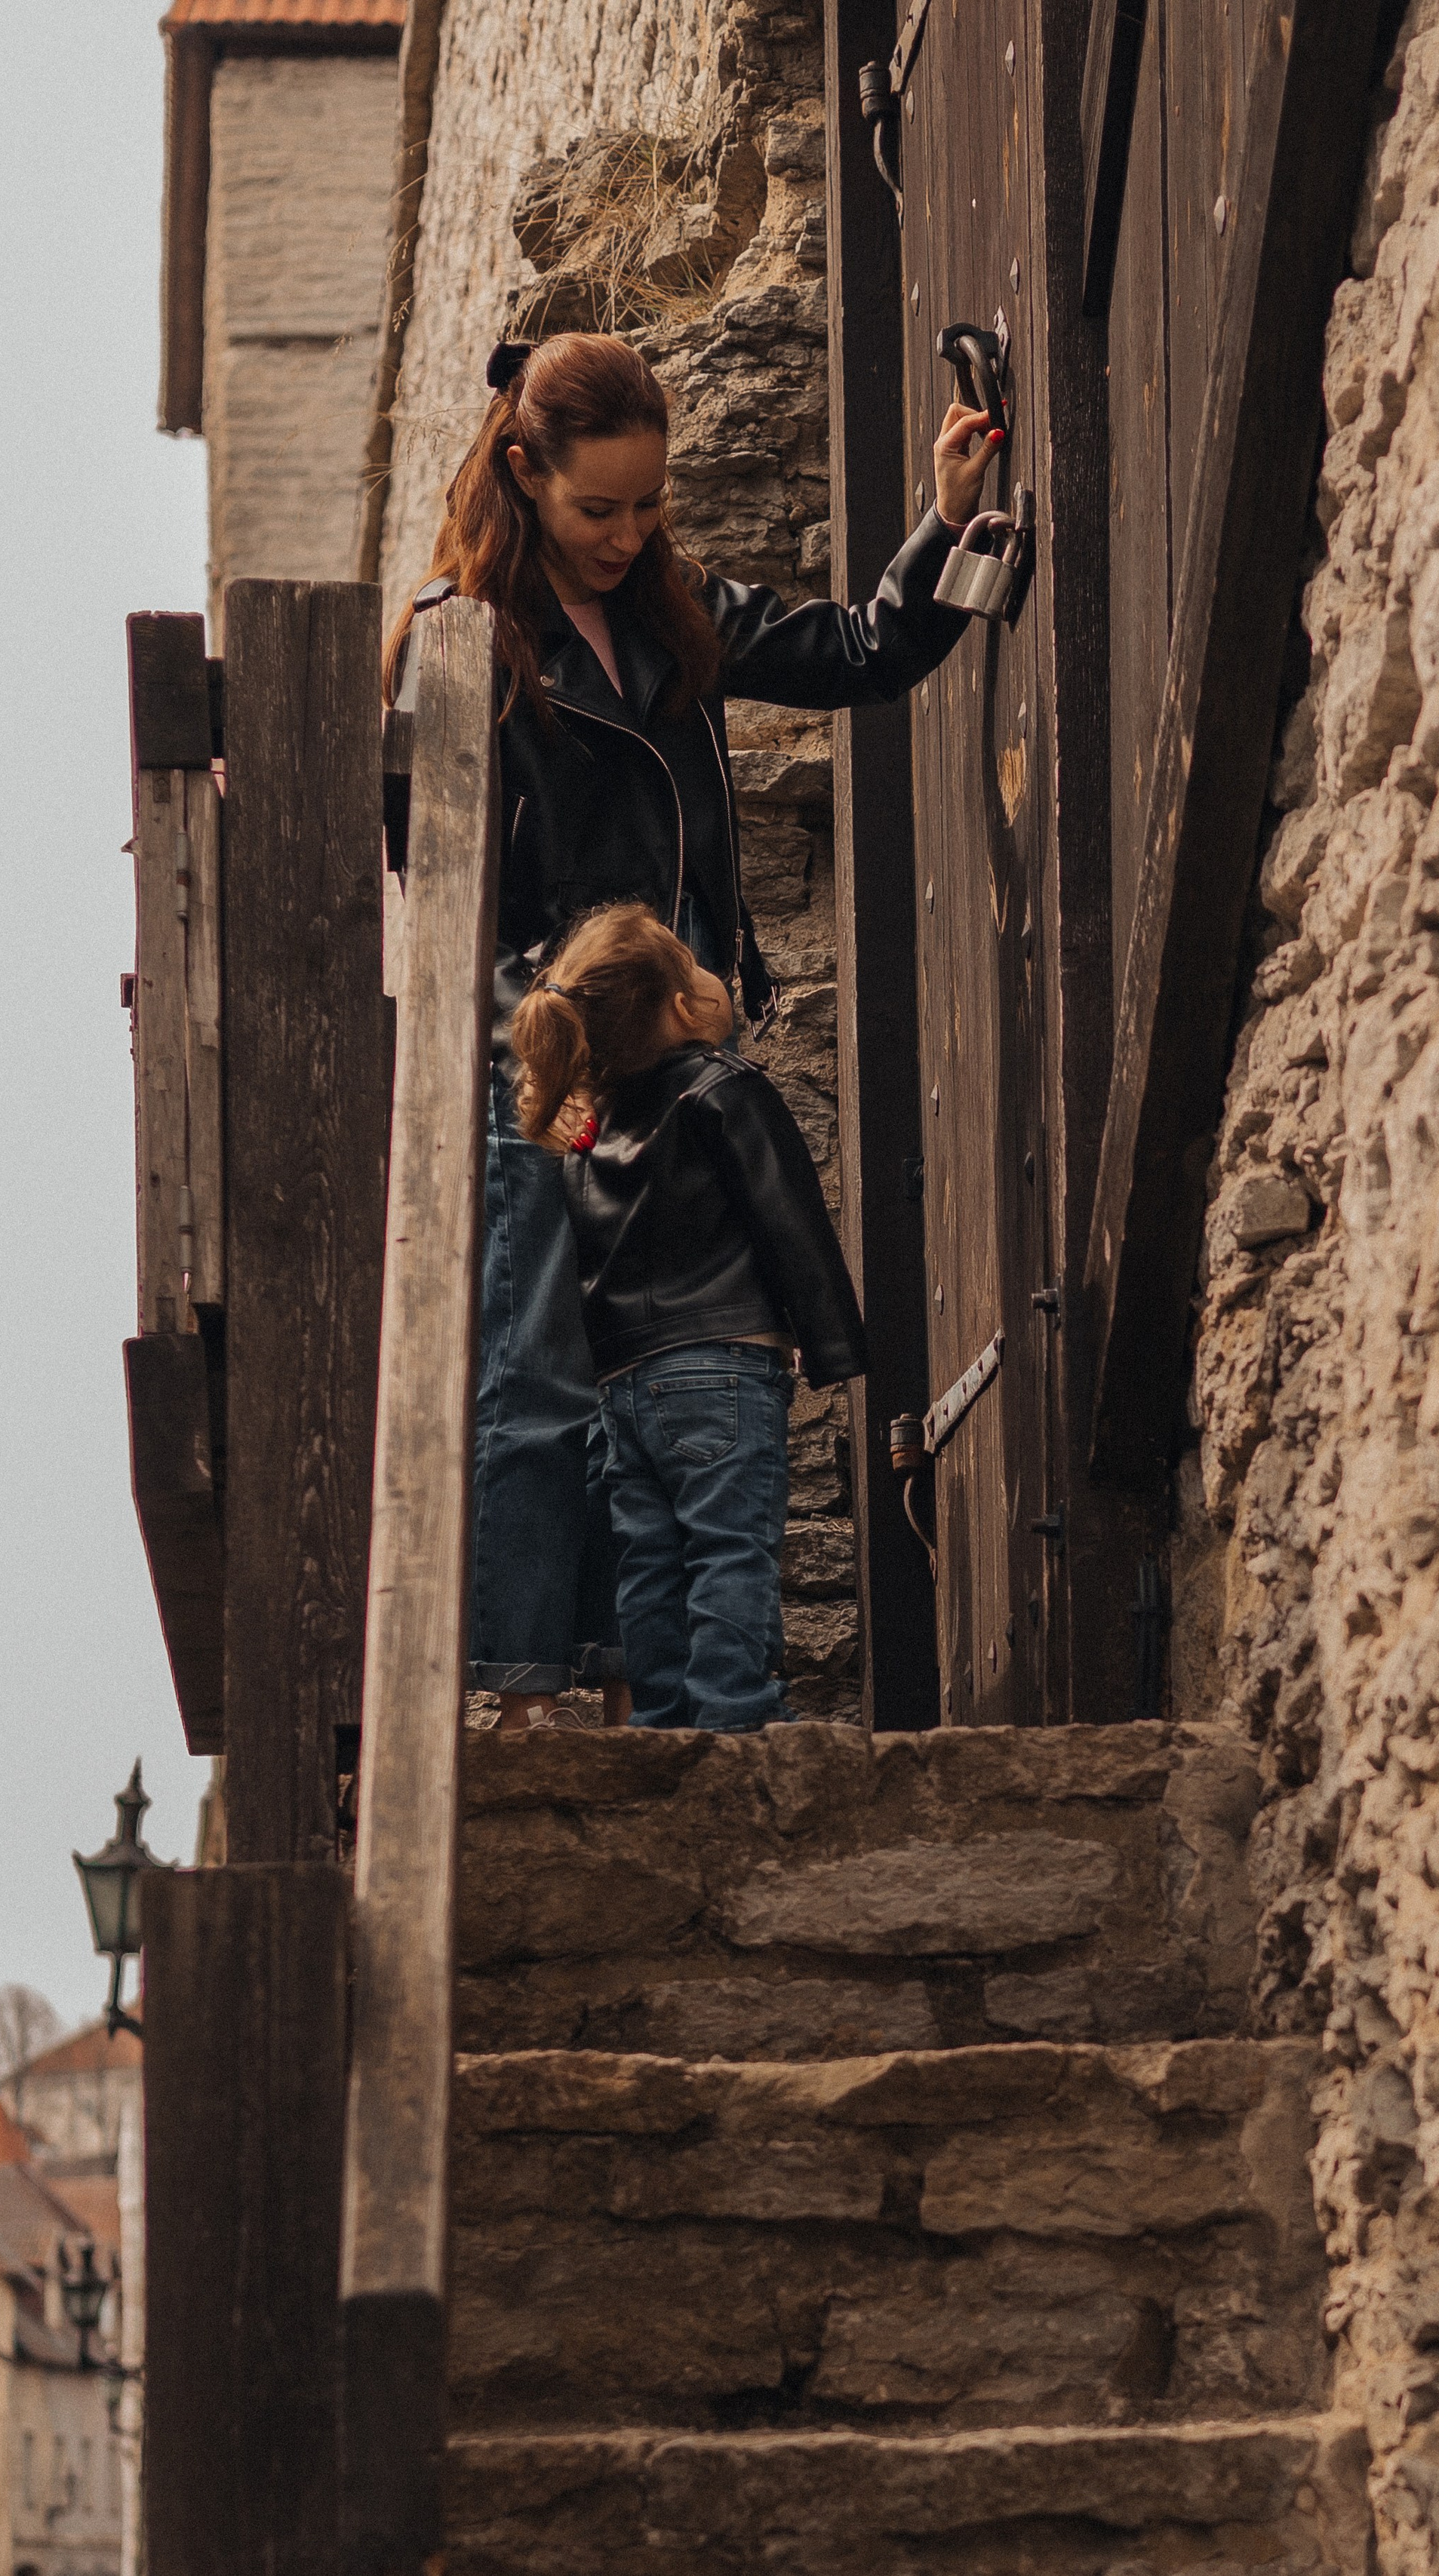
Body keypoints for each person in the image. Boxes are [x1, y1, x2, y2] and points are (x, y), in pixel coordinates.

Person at [385, 330, 1000, 1737]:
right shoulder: (459, 639)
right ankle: (525, 1684)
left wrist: (943, 522)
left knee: (654, 1370)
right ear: (523, 472)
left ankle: (635, 1675)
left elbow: (859, 650)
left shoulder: (676, 615)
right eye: (600, 507)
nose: (628, 532)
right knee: (535, 1366)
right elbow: (425, 869)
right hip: (547, 1065)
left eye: (649, 503)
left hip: (676, 1060)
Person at [510, 902, 867, 1734]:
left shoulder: (589, 1134)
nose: (713, 976)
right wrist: (834, 1344)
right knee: (729, 1546)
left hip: (625, 1385)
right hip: (722, 1368)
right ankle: (735, 1715)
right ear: (682, 1004)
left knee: (652, 1563)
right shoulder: (724, 1088)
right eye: (697, 964)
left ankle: (662, 1724)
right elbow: (789, 1220)